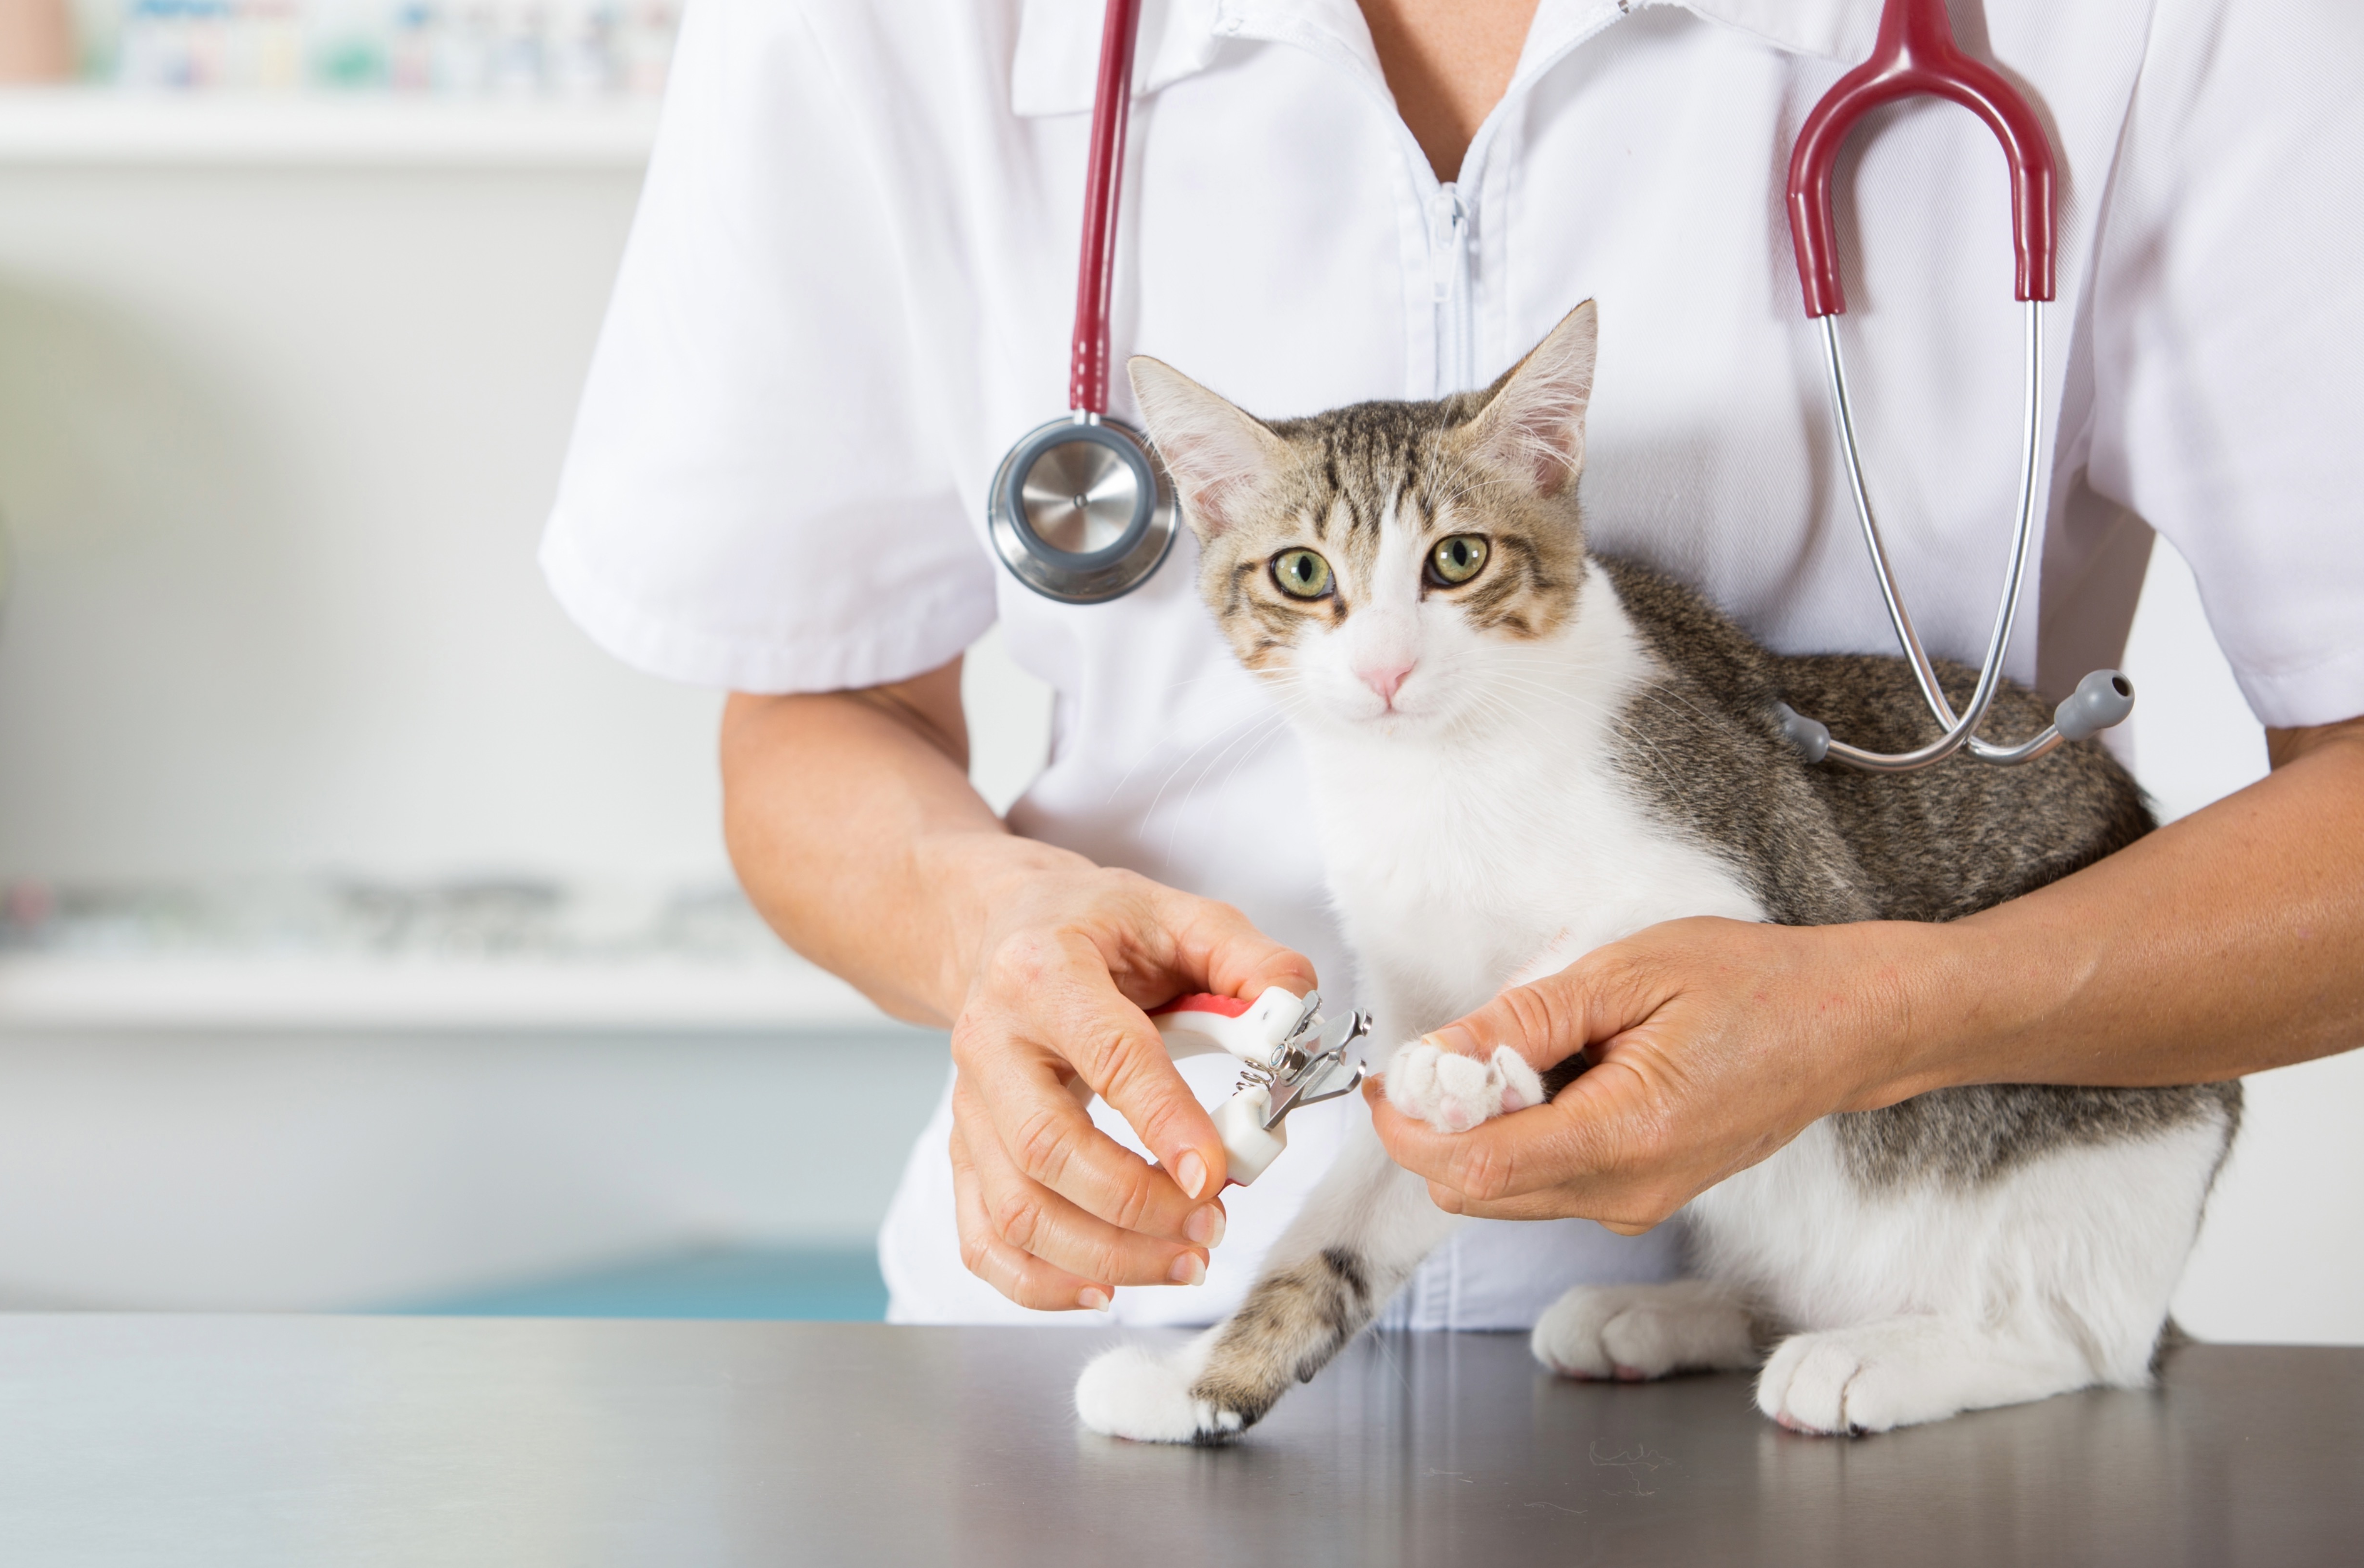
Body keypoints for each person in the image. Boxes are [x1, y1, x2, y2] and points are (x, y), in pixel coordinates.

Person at [542, 0, 2364, 1326]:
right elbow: (816, 705)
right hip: (1116, 1331)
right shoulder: (859, 33)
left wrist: (1881, 1021)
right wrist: (988, 928)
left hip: (1839, 1313)